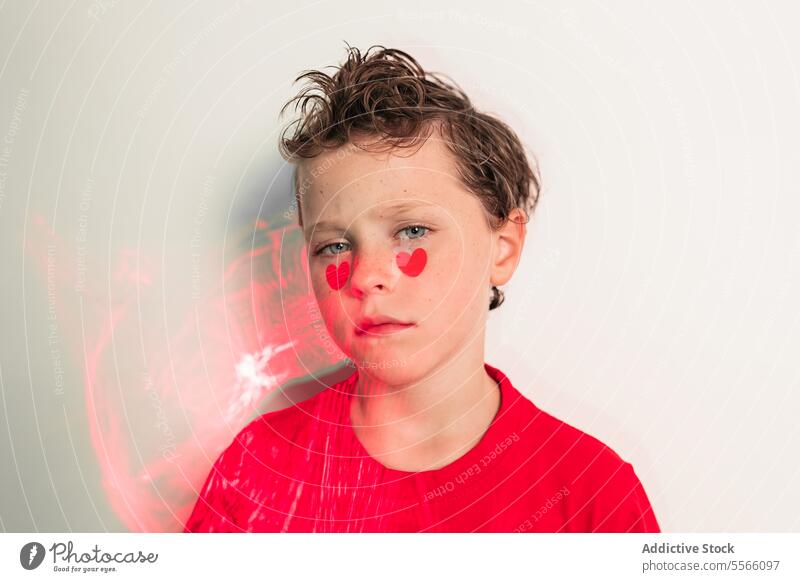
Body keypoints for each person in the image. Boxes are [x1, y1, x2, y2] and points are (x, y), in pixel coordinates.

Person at [184, 44, 660, 533]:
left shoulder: (590, 495)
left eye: (412, 230)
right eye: (333, 246)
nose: (367, 275)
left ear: (502, 248)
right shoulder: (256, 472)